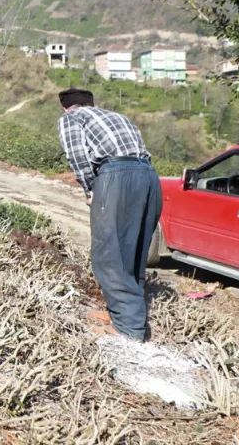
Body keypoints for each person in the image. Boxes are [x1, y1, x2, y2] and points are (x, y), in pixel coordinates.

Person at [56, 87, 162, 342]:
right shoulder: (118, 117)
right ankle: (124, 316)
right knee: (133, 251)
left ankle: (129, 329)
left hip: (117, 176)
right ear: (93, 103)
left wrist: (89, 188)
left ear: (65, 107)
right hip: (148, 176)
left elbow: (78, 156)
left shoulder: (71, 118)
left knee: (108, 253)